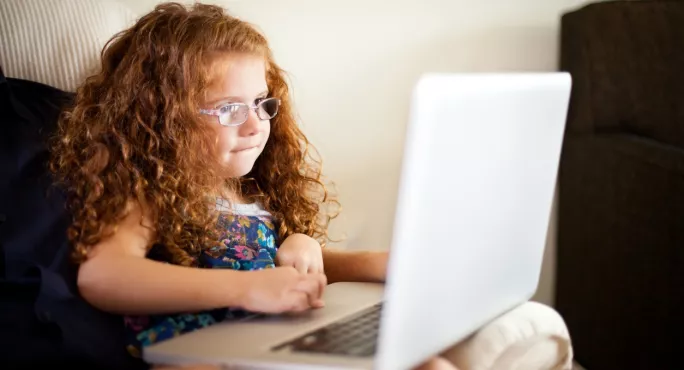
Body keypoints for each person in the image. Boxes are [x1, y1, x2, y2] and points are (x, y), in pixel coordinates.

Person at [49, 3, 458, 369]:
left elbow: (268, 272)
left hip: (269, 342)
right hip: (200, 355)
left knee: (429, 361)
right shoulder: (145, 190)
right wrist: (247, 288)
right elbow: (103, 276)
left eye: (262, 102)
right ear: (161, 117)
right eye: (229, 108)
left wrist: (319, 250)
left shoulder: (245, 193)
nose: (255, 125)